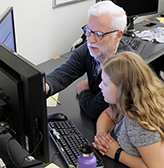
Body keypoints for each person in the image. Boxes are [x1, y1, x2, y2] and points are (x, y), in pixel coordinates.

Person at [45, 1, 136, 119]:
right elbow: (62, 75)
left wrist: (83, 90)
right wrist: (41, 88)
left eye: (99, 34)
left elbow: (95, 109)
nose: (91, 40)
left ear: (118, 35)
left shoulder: (125, 67)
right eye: (88, 31)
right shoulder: (89, 49)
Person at [92, 51, 164, 168]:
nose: (100, 86)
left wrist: (117, 153)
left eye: (105, 83)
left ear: (122, 89)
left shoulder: (139, 123)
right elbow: (107, 114)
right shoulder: (132, 99)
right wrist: (102, 137)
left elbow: (157, 166)